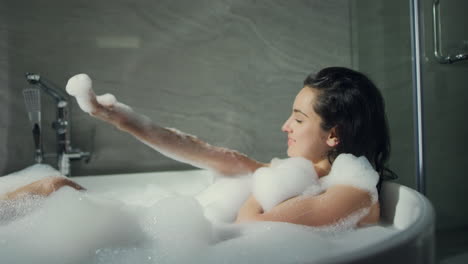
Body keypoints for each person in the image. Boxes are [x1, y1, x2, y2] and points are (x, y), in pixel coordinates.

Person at [1, 66, 395, 228]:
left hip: (191, 247)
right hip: (182, 238)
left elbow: (252, 229)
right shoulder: (299, 176)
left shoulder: (352, 193)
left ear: (334, 135)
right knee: (53, 188)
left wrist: (259, 185)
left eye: (298, 118)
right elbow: (205, 151)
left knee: (52, 192)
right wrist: (121, 118)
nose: (285, 125)